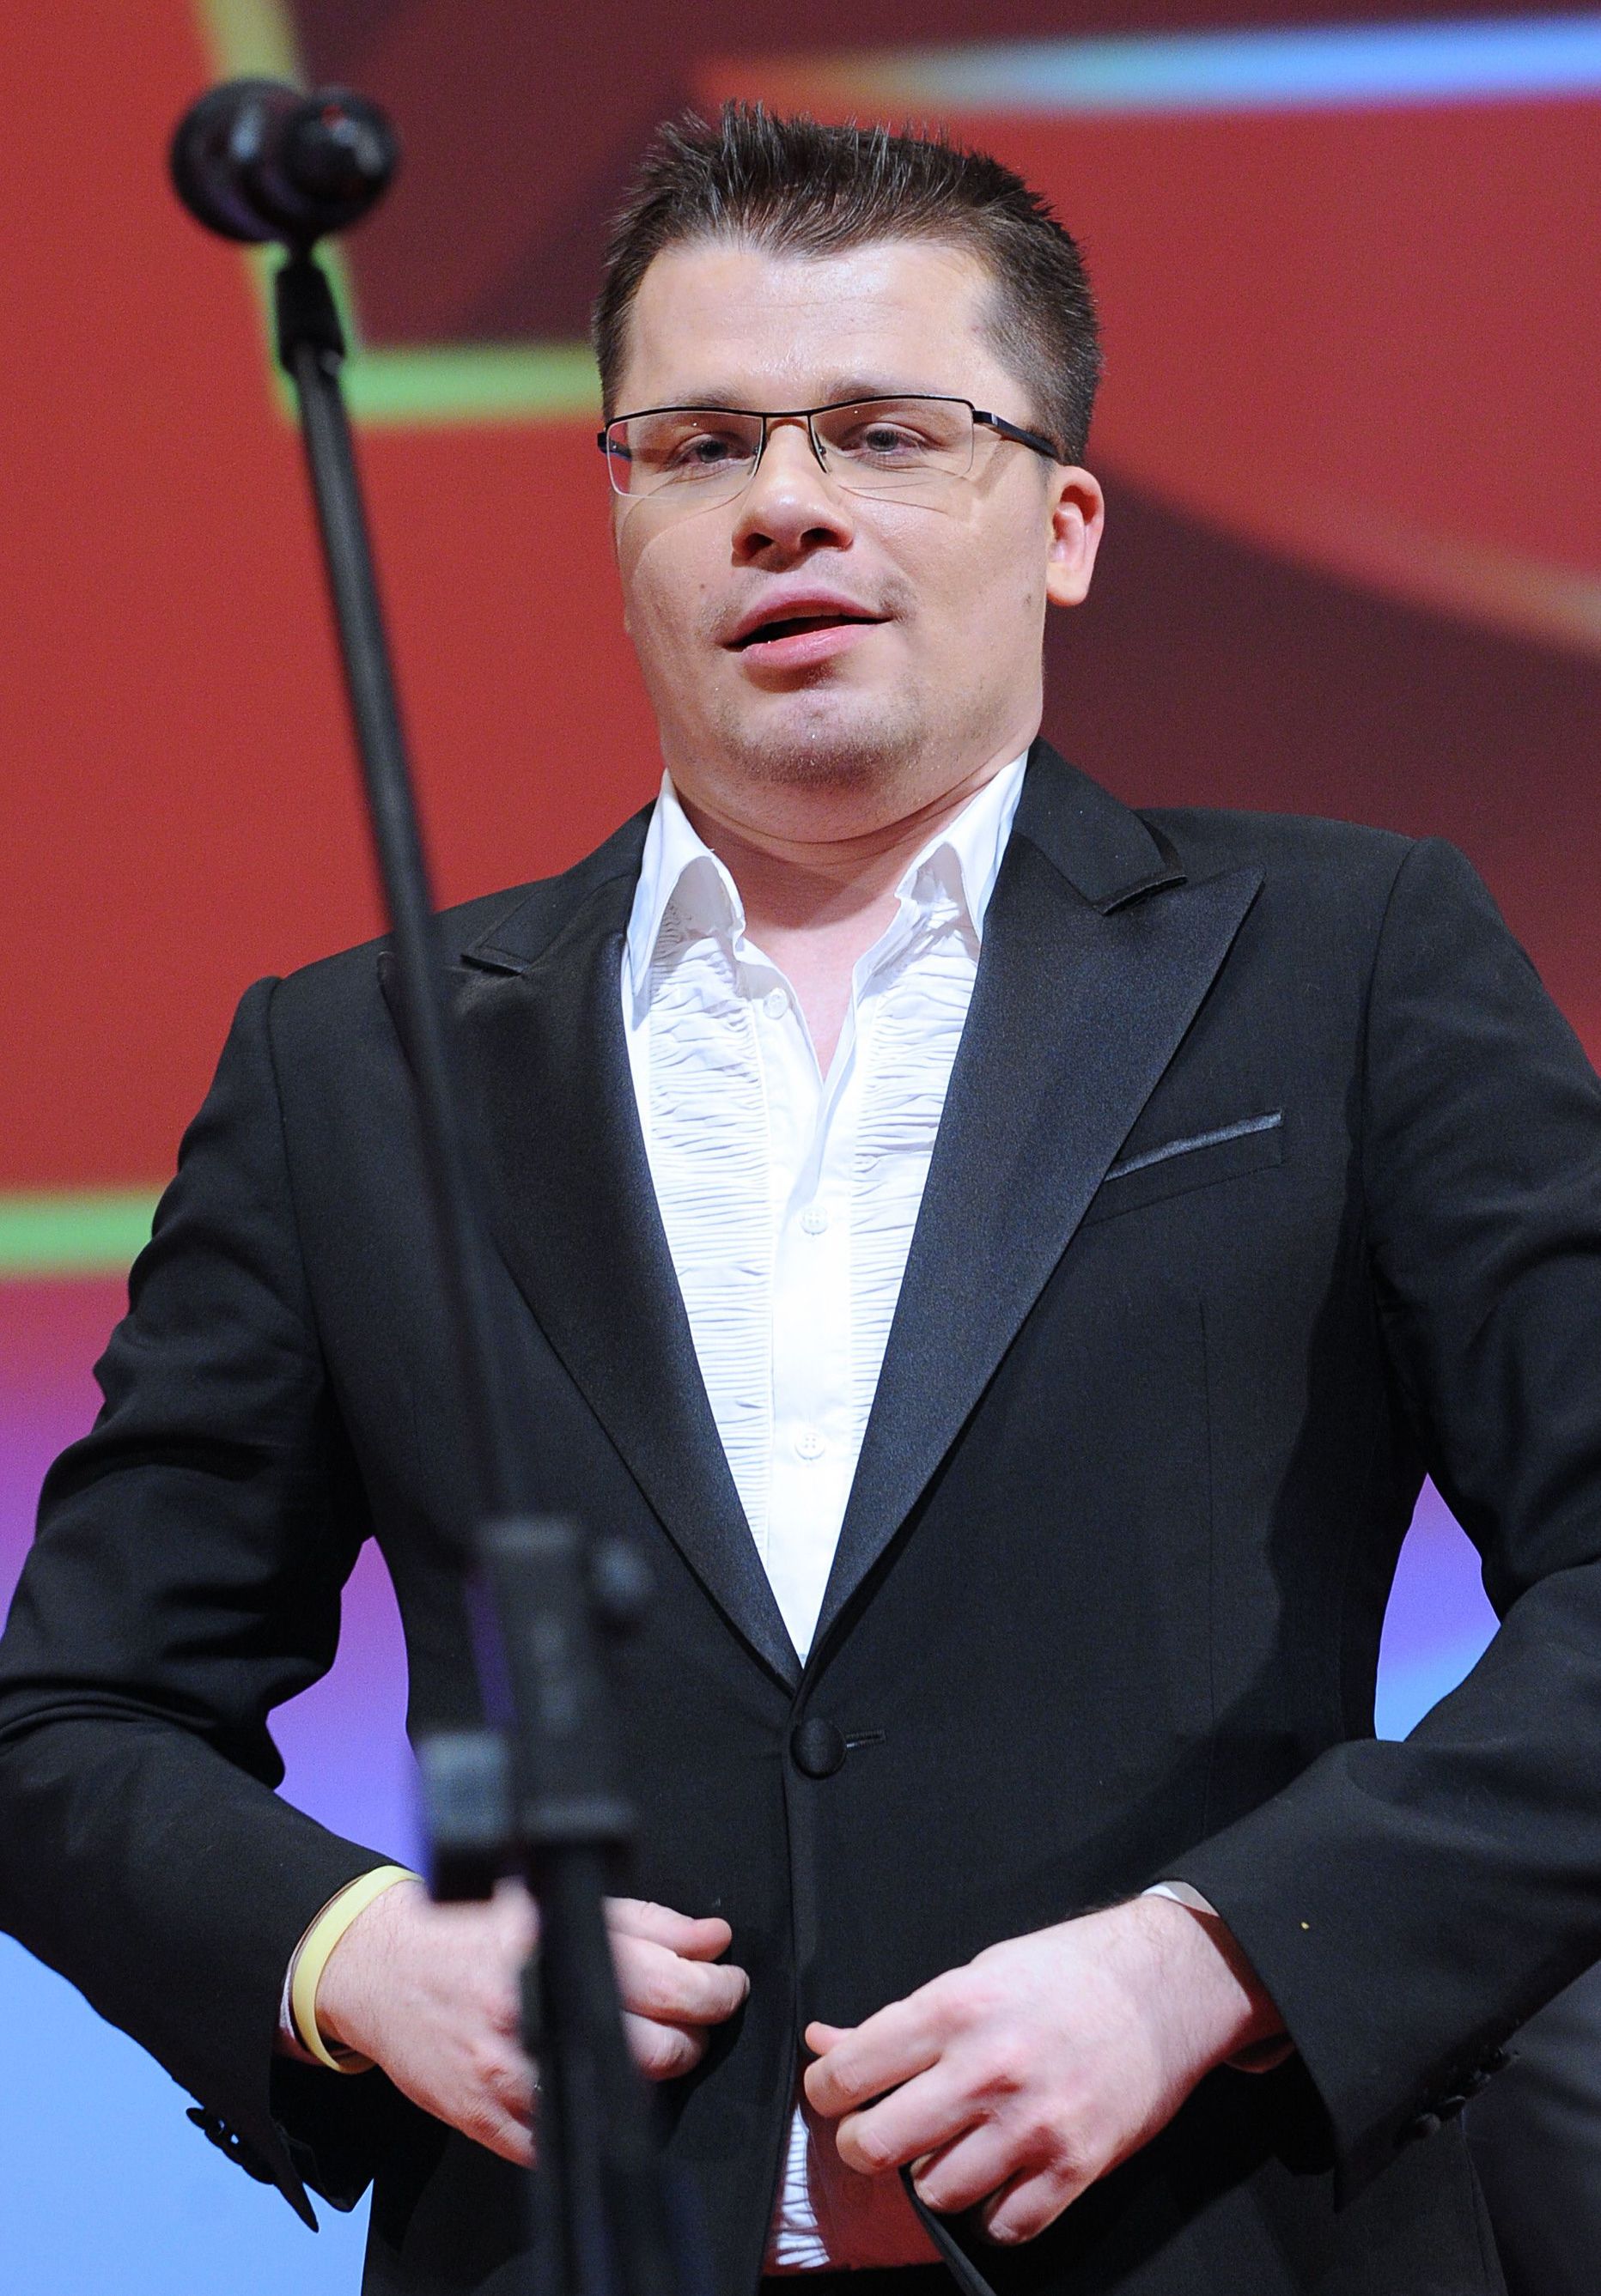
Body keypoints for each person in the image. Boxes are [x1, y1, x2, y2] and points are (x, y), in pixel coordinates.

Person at [2, 102, 1599, 2296]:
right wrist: (350, 1948)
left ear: (1061, 521)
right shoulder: (357, 1059)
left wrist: (1214, 1954)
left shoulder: (1344, 961)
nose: (780, 504)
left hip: (1222, 2237)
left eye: (883, 434)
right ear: (622, 516)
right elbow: (71, 1715)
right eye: (695, 445)